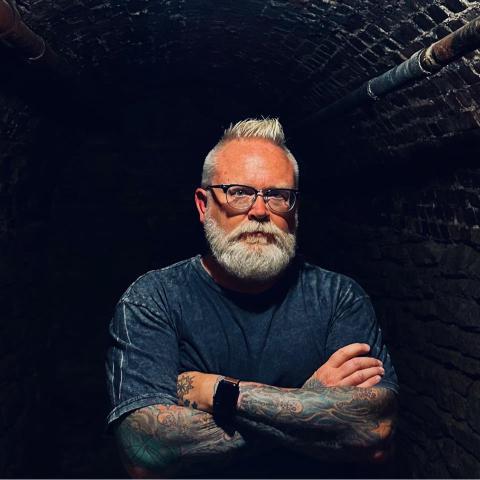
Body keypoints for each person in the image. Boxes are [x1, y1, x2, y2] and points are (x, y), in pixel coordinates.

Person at [105, 118, 399, 478]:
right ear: (203, 204)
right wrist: (311, 406)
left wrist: (220, 393)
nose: (259, 211)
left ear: (295, 208)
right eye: (238, 192)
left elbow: (374, 433)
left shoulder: (339, 298)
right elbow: (145, 453)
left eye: (277, 195)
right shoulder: (153, 300)